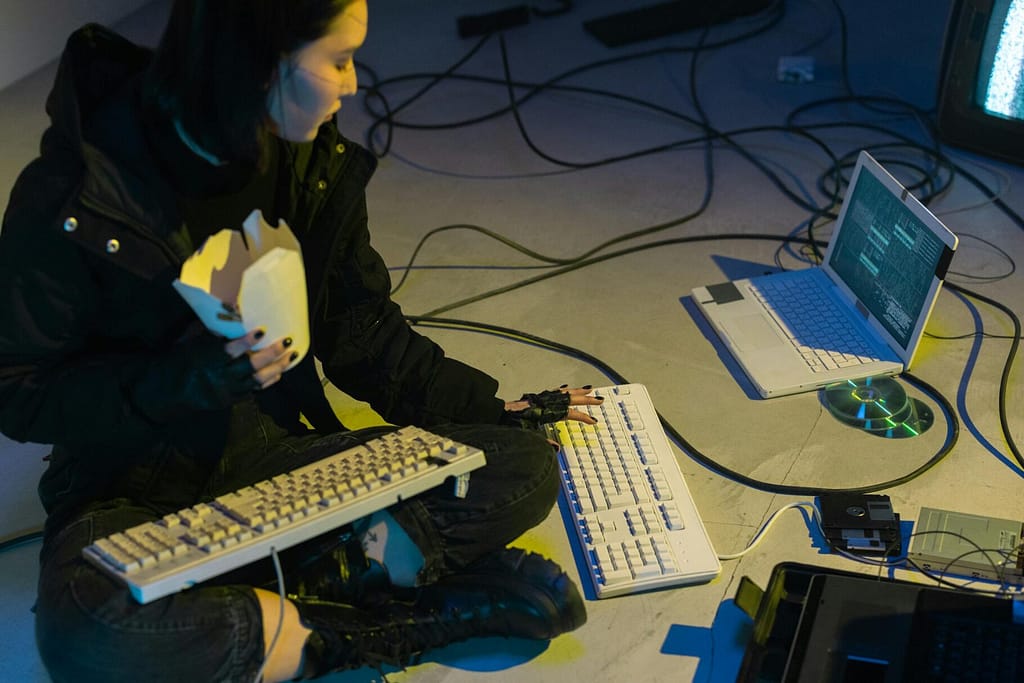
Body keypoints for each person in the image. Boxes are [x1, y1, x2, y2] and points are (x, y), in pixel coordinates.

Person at [0, 1, 602, 680]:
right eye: (339, 59)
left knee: (523, 465)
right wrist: (175, 381)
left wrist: (487, 412)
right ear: (260, 64)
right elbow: (15, 388)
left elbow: (358, 324)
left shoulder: (304, 149)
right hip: (125, 488)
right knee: (87, 633)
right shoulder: (78, 191)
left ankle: (269, 613)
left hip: (271, 451)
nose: (351, 84)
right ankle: (382, 620)